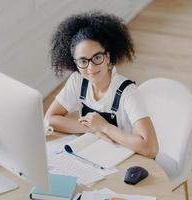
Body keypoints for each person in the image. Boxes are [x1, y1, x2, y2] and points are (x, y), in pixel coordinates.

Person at [45, 11, 158, 158]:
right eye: (83, 61)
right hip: (95, 155)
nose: (90, 68)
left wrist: (105, 126)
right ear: (75, 63)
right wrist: (92, 129)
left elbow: (150, 148)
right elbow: (49, 119)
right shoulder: (78, 80)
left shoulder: (128, 92)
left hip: (128, 160)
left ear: (108, 57)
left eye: (97, 57)